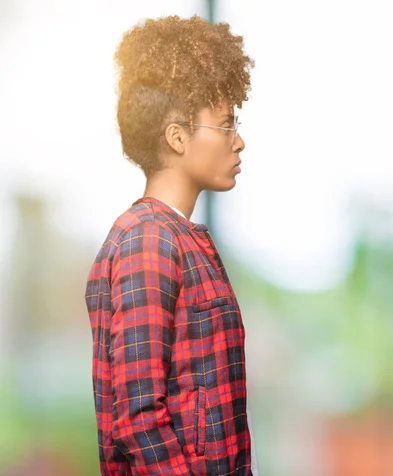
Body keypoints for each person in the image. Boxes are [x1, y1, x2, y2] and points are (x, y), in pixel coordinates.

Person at [84, 15, 257, 475]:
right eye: (225, 125)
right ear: (178, 136)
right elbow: (139, 420)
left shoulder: (179, 238)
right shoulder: (148, 240)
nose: (239, 141)